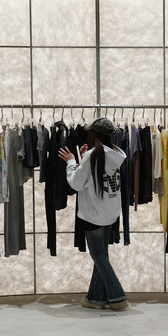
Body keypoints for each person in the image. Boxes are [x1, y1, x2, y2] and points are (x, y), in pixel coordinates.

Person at [58, 117, 130, 311]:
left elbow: (76, 183)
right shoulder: (115, 153)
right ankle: (95, 299)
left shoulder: (93, 155)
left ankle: (117, 296)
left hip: (94, 214)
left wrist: (71, 162)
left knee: (98, 256)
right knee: (102, 254)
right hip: (110, 213)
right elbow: (93, 176)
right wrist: (83, 160)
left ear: (94, 134)